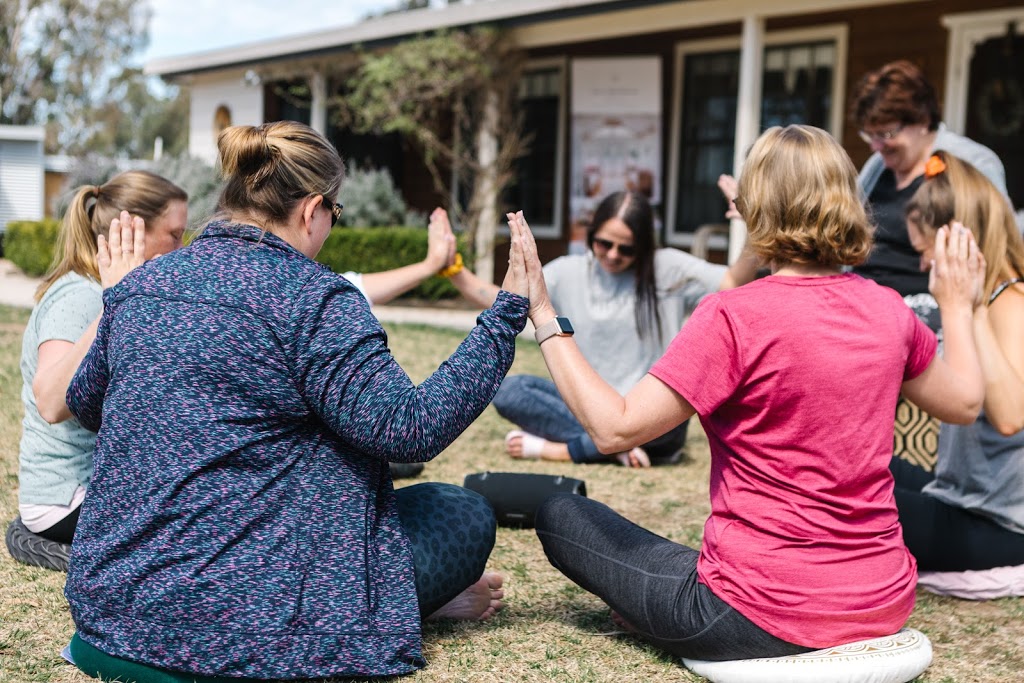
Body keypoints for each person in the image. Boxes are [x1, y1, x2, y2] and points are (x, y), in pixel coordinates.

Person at [63, 120, 528, 682]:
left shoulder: (140, 285)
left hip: (114, 618)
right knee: (461, 511)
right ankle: (398, 606)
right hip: (253, 629)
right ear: (313, 210)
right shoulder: (315, 298)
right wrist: (506, 315)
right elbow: (410, 428)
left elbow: (88, 404)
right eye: (337, 213)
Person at [518, 125, 985, 660]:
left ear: (753, 209)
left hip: (755, 616)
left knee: (561, 514)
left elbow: (613, 427)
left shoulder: (733, 315)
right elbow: (966, 403)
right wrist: (957, 303)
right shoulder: (889, 309)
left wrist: (543, 312)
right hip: (883, 603)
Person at [442, 191, 758, 467]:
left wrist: (752, 224)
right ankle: (613, 445)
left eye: (626, 249)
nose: (612, 254)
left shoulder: (668, 267)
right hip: (591, 406)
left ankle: (568, 449)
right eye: (603, 243)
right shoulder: (568, 271)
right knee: (511, 390)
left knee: (675, 422)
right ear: (591, 234)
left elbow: (732, 282)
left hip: (646, 412)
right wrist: (453, 269)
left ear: (644, 247)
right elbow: (501, 299)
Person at [18, 171, 188, 544]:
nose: (182, 248)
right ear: (129, 231)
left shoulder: (114, 295)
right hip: (64, 500)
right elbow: (49, 401)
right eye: (174, 235)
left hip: (95, 489)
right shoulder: (81, 296)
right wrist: (116, 298)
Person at [892, 149, 1024, 572]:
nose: (922, 263)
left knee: (851, 506)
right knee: (851, 467)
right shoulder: (976, 306)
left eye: (926, 250)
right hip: (953, 493)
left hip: (1000, 525)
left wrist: (974, 308)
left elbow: (1011, 417)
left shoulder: (1011, 305)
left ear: (960, 241)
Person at [849, 59, 1010, 299]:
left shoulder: (973, 163)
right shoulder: (876, 167)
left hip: (928, 307)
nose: (875, 146)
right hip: (864, 300)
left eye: (886, 133)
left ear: (922, 119)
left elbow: (1001, 243)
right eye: (869, 135)